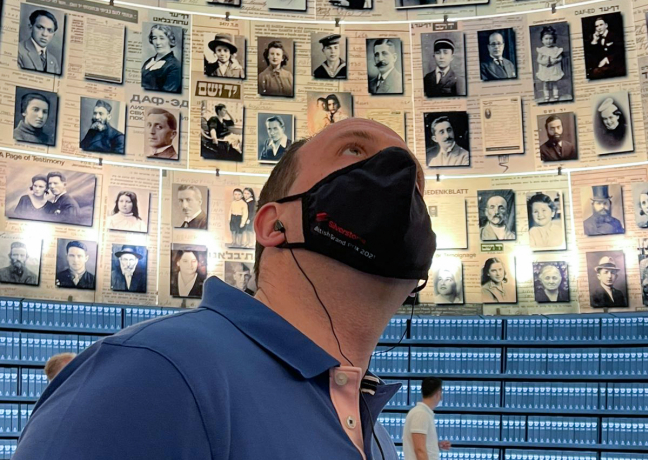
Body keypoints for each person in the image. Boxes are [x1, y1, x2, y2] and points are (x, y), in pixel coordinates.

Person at [13, 118, 435, 458]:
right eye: (354, 150)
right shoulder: (155, 373)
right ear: (274, 224)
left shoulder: (370, 426)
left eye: (415, 182)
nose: (399, 177)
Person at [403, 377, 451, 459]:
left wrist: (436, 445)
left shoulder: (423, 413)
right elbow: (419, 450)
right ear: (438, 393)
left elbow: (420, 445)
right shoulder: (421, 414)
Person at [18, 8, 61, 74]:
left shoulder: (53, 60)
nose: (44, 34)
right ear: (30, 27)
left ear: (53, 35)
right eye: (40, 27)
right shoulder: (18, 50)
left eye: (49, 30)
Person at [141, 24, 182, 93]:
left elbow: (167, 94)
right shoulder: (149, 61)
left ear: (169, 40)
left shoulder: (174, 66)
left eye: (162, 38)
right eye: (154, 38)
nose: (158, 42)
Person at [535, 26, 565, 102]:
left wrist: (556, 60)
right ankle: (547, 96)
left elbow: (560, 57)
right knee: (545, 83)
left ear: (553, 39)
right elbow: (538, 59)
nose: (548, 41)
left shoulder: (556, 49)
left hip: (554, 69)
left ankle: (555, 95)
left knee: (555, 82)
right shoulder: (542, 50)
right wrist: (544, 62)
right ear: (542, 40)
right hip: (545, 69)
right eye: (546, 39)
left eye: (550, 38)